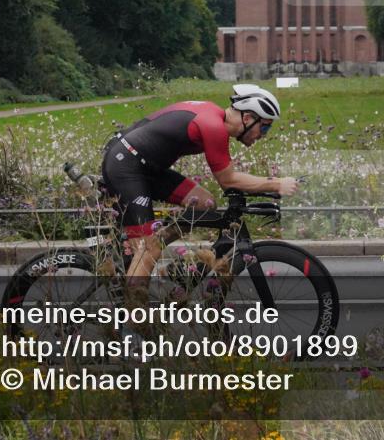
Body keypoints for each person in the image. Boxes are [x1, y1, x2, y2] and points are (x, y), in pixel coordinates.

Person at [100, 84, 298, 297]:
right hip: (127, 168)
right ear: (248, 118)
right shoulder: (213, 126)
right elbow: (229, 180)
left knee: (204, 204)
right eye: (265, 128)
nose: (264, 135)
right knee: (149, 250)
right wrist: (276, 184)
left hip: (145, 166)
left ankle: (160, 251)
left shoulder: (213, 116)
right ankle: (135, 314)